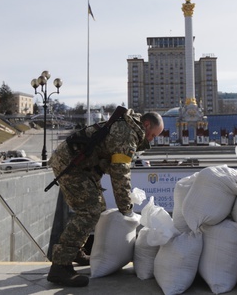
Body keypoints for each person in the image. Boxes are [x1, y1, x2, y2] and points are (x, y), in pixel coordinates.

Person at [46, 109, 164, 287]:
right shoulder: (127, 133)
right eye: (153, 135)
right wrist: (126, 208)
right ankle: (60, 266)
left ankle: (75, 250)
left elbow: (110, 162)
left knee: (97, 208)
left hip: (80, 165)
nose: (151, 139)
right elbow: (120, 173)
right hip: (72, 164)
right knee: (89, 211)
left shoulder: (128, 127)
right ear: (146, 125)